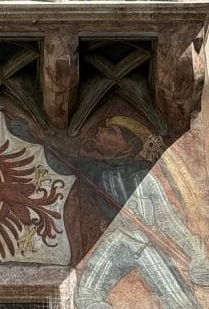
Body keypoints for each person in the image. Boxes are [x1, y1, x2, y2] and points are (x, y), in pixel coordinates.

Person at [73, 117, 209, 309]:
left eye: (111, 131)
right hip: (117, 240)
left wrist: (196, 254)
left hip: (145, 241)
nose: (100, 131)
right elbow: (63, 162)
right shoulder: (96, 170)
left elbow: (166, 218)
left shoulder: (144, 175)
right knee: (86, 295)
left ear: (127, 147)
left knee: (181, 302)